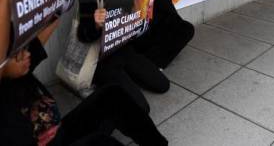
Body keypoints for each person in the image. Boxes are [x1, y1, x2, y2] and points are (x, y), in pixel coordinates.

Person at [0, 18, 168, 146]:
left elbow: (52, 20)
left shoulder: (20, 67)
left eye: (24, 47)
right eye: (17, 53)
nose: (26, 54)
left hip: (60, 135)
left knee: (113, 95)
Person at [77, 0, 170, 113]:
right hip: (103, 59)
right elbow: (83, 35)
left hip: (126, 49)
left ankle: (124, 80)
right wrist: (96, 24)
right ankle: (103, 86)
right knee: (141, 108)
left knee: (162, 85)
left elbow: (136, 23)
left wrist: (150, 1)